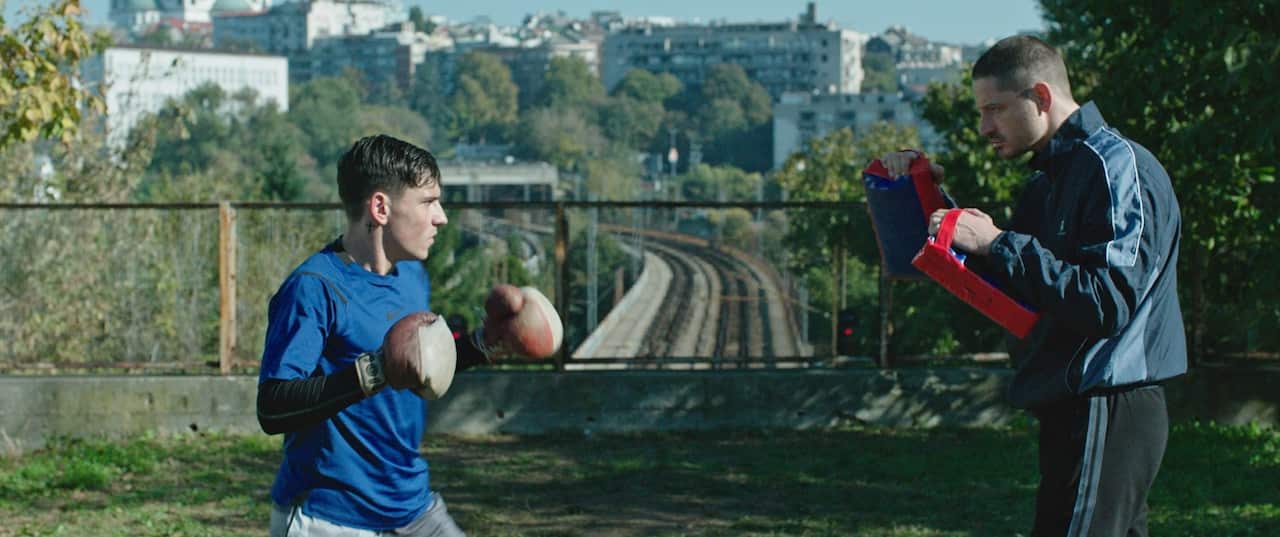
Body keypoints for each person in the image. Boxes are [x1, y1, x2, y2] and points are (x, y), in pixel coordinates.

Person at [880, 35, 1186, 536]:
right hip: (1076, 405)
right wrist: (924, 195)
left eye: (995, 109)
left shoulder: (1115, 168)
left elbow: (1107, 302)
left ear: (1041, 97)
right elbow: (1010, 288)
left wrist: (998, 242)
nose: (984, 128)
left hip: (1108, 403)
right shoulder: (1050, 179)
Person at [257, 134, 509, 536]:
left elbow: (418, 363)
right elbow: (272, 408)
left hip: (411, 504)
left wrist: (486, 344)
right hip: (329, 517)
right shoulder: (314, 288)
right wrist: (371, 372)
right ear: (380, 208)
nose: (441, 217)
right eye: (428, 202)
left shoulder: (411, 274)